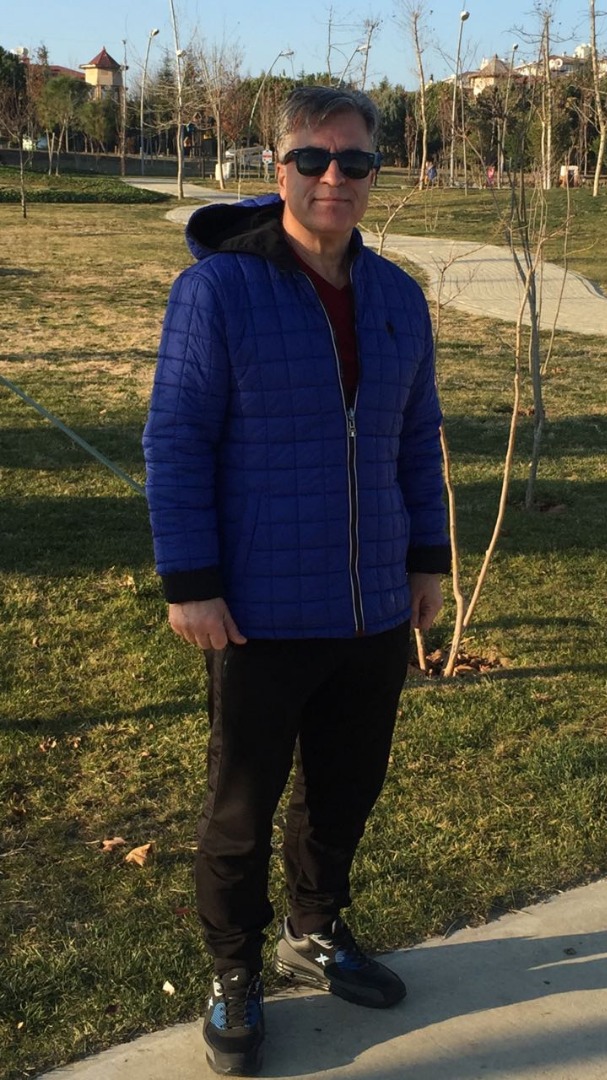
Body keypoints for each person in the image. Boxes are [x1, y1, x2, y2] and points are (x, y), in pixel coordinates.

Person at [143, 85, 450, 1077]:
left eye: (353, 161)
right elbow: (177, 441)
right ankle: (235, 970)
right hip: (257, 611)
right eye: (312, 159)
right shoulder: (218, 292)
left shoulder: (397, 297)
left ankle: (314, 929)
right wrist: (190, 581)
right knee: (240, 807)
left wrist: (427, 560)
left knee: (344, 791)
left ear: (374, 173)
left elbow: (415, 439)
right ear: (277, 168)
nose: (332, 178)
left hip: (370, 605)